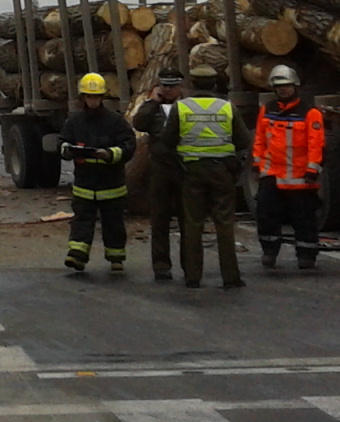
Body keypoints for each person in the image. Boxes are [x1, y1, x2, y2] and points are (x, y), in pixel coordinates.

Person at [173, 65, 251, 289]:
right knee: (225, 224)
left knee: (193, 223)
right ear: (215, 85)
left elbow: (168, 141)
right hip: (221, 171)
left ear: (192, 84)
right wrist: (233, 166)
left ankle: (193, 276)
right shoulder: (226, 107)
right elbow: (244, 141)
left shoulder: (181, 108)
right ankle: (230, 276)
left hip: (192, 171)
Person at [60, 73, 135, 274]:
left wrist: (109, 154)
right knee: (81, 222)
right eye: (89, 97)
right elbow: (62, 142)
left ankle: (116, 258)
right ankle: (77, 256)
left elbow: (129, 146)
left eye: (96, 97)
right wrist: (67, 150)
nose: (93, 101)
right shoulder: (74, 121)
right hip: (85, 184)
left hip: (111, 185)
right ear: (83, 97)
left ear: (103, 97)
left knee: (114, 225)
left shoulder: (116, 121)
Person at [254, 63, 324, 271]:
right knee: (266, 215)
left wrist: (313, 169)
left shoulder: (310, 113)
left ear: (295, 86)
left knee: (303, 219)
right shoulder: (267, 110)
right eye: (279, 86)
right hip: (272, 175)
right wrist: (257, 164)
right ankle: (269, 250)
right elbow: (259, 139)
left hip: (300, 178)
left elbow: (316, 143)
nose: (283, 89)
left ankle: (306, 255)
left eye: (287, 85)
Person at [131, 70, 186, 280]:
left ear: (180, 87)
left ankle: (189, 264)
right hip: (160, 169)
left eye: (172, 86)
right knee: (160, 219)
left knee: (187, 220)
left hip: (183, 168)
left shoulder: (187, 106)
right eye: (165, 86)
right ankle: (161, 265)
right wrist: (152, 102)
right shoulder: (153, 108)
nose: (169, 90)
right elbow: (139, 123)